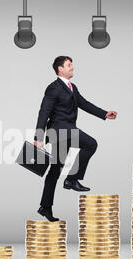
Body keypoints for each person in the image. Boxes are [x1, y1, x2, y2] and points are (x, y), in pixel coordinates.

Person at [34, 56, 118, 222]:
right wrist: (38, 136)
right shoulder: (53, 88)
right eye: (69, 65)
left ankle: (45, 207)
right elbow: (44, 111)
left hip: (66, 130)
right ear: (60, 69)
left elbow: (84, 104)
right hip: (60, 130)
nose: (72, 67)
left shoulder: (72, 87)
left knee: (55, 170)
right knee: (91, 144)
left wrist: (104, 114)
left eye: (71, 64)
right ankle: (72, 179)